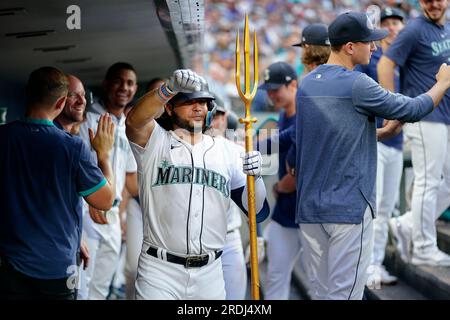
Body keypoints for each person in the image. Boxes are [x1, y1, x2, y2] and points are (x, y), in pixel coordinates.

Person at [294, 11, 450, 300]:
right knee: (346, 296)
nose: (376, 47)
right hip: (348, 209)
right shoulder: (357, 84)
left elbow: (318, 141)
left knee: (321, 294)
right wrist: (442, 82)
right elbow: (414, 109)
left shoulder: (306, 85)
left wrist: (375, 134)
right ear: (350, 47)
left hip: (311, 210)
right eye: (369, 42)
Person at [125, 69, 270, 299]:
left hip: (210, 272)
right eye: (189, 102)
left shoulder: (228, 151)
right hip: (159, 270)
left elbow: (256, 210)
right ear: (170, 107)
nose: (198, 107)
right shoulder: (155, 142)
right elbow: (134, 120)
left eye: (203, 102)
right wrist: (167, 89)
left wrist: (257, 178)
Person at [0, 67, 115, 299]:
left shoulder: (4, 136)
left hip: (8, 265)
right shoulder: (72, 146)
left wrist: (76, 235)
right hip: (56, 268)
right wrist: (103, 155)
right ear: (61, 102)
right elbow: (105, 200)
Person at [378, 0, 450, 267]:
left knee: (446, 182)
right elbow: (385, 64)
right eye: (427, 0)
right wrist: (391, 106)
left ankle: (406, 224)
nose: (433, 4)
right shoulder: (414, 29)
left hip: (445, 115)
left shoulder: (446, 28)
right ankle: (423, 247)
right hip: (423, 114)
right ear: (420, 2)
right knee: (428, 181)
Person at [78, 62, 139, 300]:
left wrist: (121, 215)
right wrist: (92, 202)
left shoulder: (127, 128)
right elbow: (78, 170)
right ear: (106, 83)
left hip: (112, 216)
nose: (124, 87)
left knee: (101, 289)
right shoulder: (88, 119)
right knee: (82, 287)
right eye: (118, 81)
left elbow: (127, 179)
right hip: (87, 213)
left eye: (130, 83)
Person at [355, 7, 406, 287]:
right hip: (374, 139)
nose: (393, 27)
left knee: (386, 207)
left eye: (397, 22)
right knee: (372, 207)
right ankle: (366, 267)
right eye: (387, 23)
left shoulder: (405, 58)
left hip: (396, 140)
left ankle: (375, 263)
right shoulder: (372, 57)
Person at [209, 99, 247, 300]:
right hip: (199, 240)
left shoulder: (237, 151)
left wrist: (255, 234)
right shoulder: (190, 149)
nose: (215, 121)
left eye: (219, 115)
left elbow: (250, 200)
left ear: (225, 118)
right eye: (211, 115)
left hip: (230, 237)